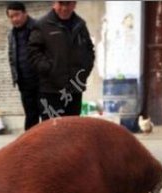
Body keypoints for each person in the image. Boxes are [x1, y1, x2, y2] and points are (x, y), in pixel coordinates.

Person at [28, 1, 95, 120]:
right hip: (51, 91)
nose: (64, 8)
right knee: (52, 132)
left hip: (74, 89)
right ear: (54, 3)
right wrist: (49, 70)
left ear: (74, 4)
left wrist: (83, 73)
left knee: (72, 130)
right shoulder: (42, 25)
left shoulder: (80, 25)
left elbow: (89, 50)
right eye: (61, 3)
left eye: (68, 4)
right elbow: (33, 53)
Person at [6, 2, 41, 130]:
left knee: (47, 113)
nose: (14, 19)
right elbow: (11, 56)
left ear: (25, 13)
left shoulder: (38, 27)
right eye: (11, 16)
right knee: (31, 115)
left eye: (17, 15)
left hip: (42, 80)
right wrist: (15, 76)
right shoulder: (12, 34)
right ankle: (31, 144)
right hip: (24, 82)